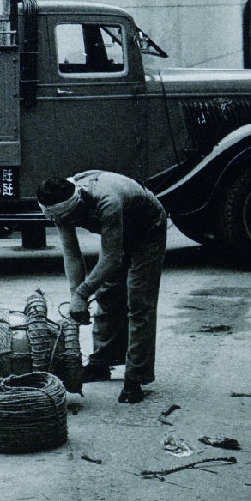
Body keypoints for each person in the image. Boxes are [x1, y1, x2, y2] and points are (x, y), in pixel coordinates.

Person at [37, 171, 168, 404]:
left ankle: (135, 378)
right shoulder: (59, 204)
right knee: (107, 294)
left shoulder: (107, 200)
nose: (64, 224)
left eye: (67, 219)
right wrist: (76, 297)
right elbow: (71, 252)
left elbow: (112, 257)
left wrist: (82, 293)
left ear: (77, 206)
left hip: (148, 228)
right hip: (120, 228)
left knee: (139, 301)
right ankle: (101, 363)